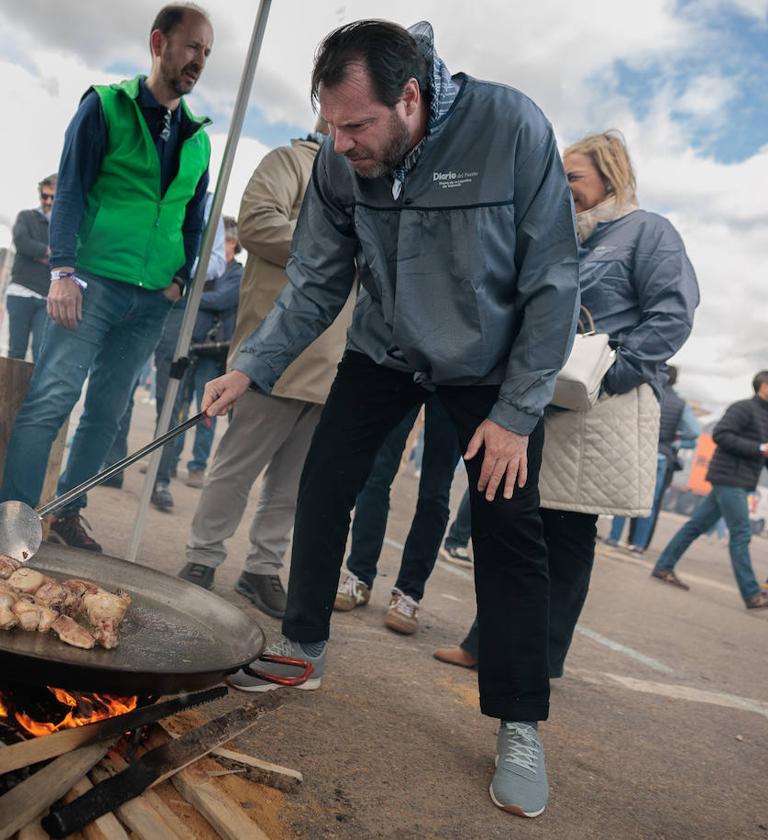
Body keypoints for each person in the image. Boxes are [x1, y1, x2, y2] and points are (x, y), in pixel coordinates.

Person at [201, 21, 581, 817]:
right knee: (324, 482)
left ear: (410, 98)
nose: (340, 145)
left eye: (356, 126)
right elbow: (314, 280)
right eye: (330, 126)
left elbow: (553, 278)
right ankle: (302, 647)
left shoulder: (511, 127)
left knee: (511, 532)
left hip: (487, 365)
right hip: (385, 348)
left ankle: (518, 721)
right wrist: (251, 366)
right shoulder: (344, 163)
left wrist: (517, 412)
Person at [435, 130, 700, 687]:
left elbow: (672, 316)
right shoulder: (565, 236)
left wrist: (611, 374)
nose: (562, 186)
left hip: (599, 406)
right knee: (518, 523)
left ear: (611, 176)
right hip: (546, 401)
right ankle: (489, 643)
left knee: (568, 533)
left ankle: (535, 658)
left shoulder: (648, 232)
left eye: (573, 176)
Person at [0, 4, 214, 552]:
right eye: (192, 47)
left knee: (107, 413)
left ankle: (68, 513)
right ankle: (12, 521)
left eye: (207, 53)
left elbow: (193, 219)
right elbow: (69, 190)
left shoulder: (199, 138)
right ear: (158, 42)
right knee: (51, 398)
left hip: (151, 301)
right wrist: (63, 271)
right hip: (90, 285)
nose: (199, 61)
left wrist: (180, 282)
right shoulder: (106, 106)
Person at [177, 124, 351, 618]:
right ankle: (202, 557)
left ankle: (262, 569)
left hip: (334, 361)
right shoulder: (290, 161)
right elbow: (255, 224)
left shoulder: (371, 180)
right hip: (274, 354)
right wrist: (336, 246)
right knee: (235, 468)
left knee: (293, 484)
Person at [332, 394, 463, 635]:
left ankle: (409, 593)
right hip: (409, 368)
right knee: (376, 475)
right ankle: (359, 576)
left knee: (435, 491)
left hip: (459, 382)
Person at [651, 372, 768, 609]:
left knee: (696, 526)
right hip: (729, 477)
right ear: (764, 386)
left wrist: (760, 450)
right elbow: (721, 434)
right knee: (742, 533)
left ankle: (664, 566)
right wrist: (758, 447)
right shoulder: (743, 408)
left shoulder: (765, 415)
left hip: (740, 478)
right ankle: (752, 593)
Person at [149, 209, 232, 511]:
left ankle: (161, 478)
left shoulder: (210, 206)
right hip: (128, 284)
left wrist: (177, 269)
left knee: (170, 401)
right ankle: (102, 470)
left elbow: (216, 265)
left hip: (175, 303)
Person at [605, 364, 699, 551]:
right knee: (650, 503)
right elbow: (694, 431)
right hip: (661, 455)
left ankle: (614, 538)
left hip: (637, 450)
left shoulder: (647, 392)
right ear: (676, 381)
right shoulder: (680, 404)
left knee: (625, 496)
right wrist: (676, 442)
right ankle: (638, 545)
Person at [6, 173, 55, 361]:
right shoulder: (26, 217)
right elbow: (21, 242)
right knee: (16, 350)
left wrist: (39, 253)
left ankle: (31, 391)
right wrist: (48, 251)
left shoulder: (61, 227)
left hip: (47, 297)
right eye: (45, 196)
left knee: (40, 352)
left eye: (53, 197)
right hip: (21, 291)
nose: (48, 201)